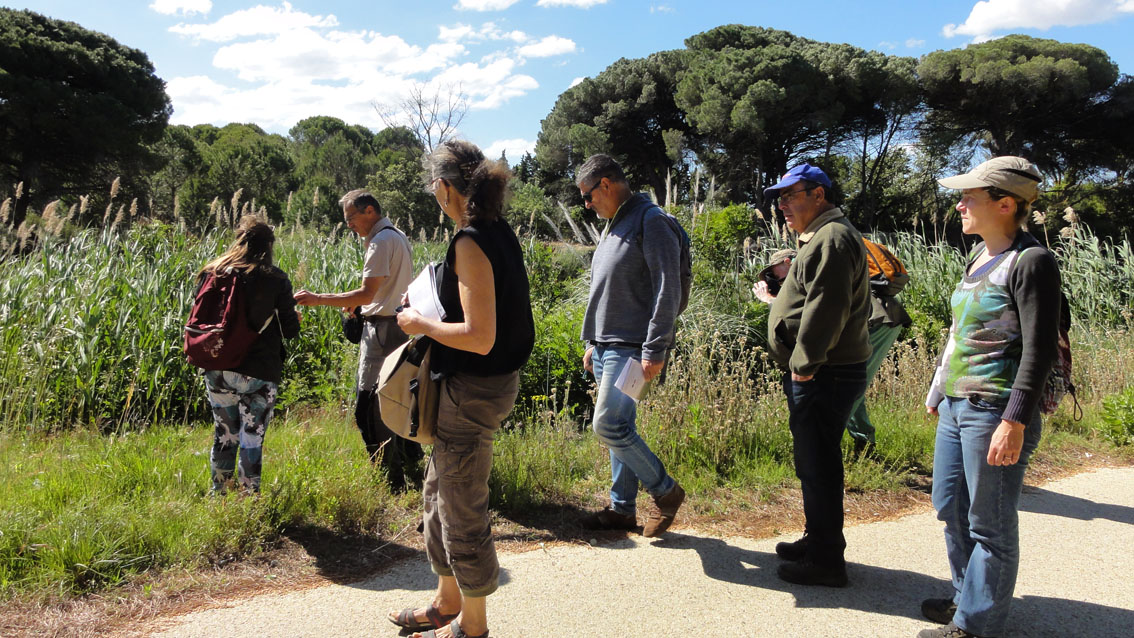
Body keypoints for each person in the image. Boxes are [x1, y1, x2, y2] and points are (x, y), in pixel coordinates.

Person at [387, 140, 534, 638]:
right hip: (475, 387)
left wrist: (420, 323)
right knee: (437, 495)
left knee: (461, 506)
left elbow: (480, 335)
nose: (433, 193)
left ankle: (473, 627)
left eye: (433, 186)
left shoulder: (470, 241)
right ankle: (448, 601)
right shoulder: (496, 232)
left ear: (446, 187)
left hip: (472, 391)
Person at [919, 157, 1060, 638]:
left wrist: (1014, 421)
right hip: (960, 404)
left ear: (1004, 205)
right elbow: (960, 332)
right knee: (949, 506)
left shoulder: (1031, 261)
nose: (959, 204)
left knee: (989, 522)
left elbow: (1039, 350)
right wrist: (939, 388)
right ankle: (965, 599)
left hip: (996, 410)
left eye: (969, 197)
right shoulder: (979, 255)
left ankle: (976, 626)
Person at [764, 163, 871, 587]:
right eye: (780, 197)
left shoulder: (832, 237)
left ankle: (827, 561)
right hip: (823, 372)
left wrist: (804, 367)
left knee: (820, 464)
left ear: (819, 195)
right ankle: (818, 540)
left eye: (792, 195)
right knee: (813, 462)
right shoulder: (821, 236)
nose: (783, 204)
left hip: (824, 373)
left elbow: (827, 308)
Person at [575, 153, 686, 537]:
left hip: (633, 348)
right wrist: (594, 341)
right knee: (622, 424)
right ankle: (622, 509)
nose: (587, 206)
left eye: (588, 196)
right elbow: (608, 289)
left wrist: (655, 347)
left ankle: (666, 492)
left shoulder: (650, 221)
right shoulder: (615, 225)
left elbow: (667, 289)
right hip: (608, 346)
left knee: (608, 425)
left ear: (606, 184)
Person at [293, 190, 419, 491]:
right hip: (397, 325)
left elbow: (367, 293)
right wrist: (362, 306)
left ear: (370, 211)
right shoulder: (397, 235)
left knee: (368, 408)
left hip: (382, 332)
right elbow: (382, 291)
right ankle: (411, 463)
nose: (349, 224)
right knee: (396, 400)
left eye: (351, 218)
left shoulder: (380, 241)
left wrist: (317, 298)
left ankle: (391, 480)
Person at [754, 245, 911, 454]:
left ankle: (824, 448)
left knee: (850, 383)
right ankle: (863, 444)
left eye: (775, 274)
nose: (776, 280)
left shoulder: (808, 270)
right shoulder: (807, 271)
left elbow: (805, 314)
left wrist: (771, 302)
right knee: (851, 384)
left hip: (878, 322)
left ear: (787, 262)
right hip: (874, 320)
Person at [198, 216, 301, 494]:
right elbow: (290, 330)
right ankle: (247, 498)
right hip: (258, 370)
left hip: (217, 366)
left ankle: (219, 495)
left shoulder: (213, 272)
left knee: (225, 434)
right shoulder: (275, 278)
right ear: (268, 245)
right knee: (251, 437)